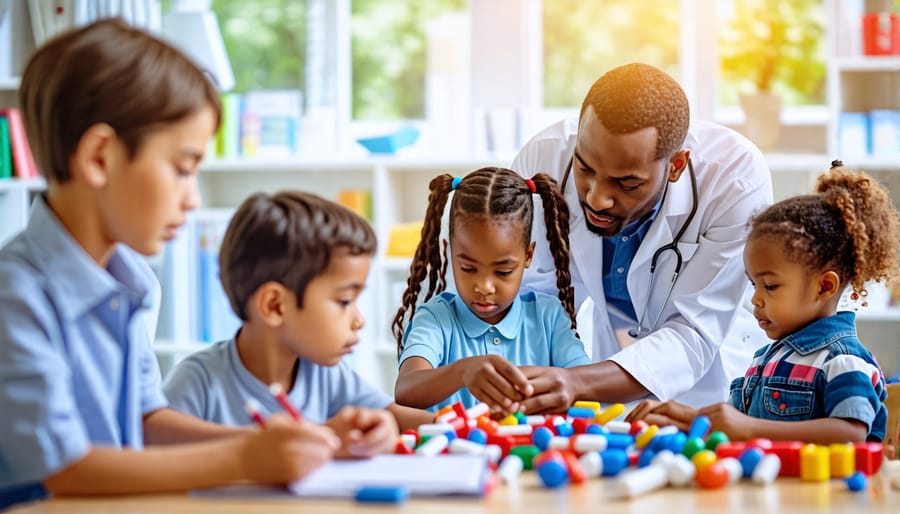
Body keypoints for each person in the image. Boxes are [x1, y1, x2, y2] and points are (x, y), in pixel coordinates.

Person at [0, 20, 341, 509]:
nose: (193, 199)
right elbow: (65, 468)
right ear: (100, 157)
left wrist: (305, 442)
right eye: (182, 169)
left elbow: (147, 422)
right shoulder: (15, 294)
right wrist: (246, 458)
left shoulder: (132, 280)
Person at [510, 63, 773, 412]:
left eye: (626, 182)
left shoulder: (733, 177)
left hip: (712, 397)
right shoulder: (545, 159)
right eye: (585, 169)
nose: (596, 198)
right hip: (601, 387)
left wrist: (575, 382)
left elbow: (693, 332)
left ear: (677, 165)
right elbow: (527, 297)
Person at [625, 164, 899, 443]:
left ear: (824, 286)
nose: (755, 298)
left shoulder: (842, 359)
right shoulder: (763, 360)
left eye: (770, 286)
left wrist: (748, 428)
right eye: (753, 285)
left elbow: (851, 434)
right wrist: (686, 419)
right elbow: (734, 430)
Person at [164, 191, 434, 450]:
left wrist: (390, 425)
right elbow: (156, 449)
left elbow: (395, 417)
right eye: (344, 301)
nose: (358, 320)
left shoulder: (325, 375)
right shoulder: (197, 382)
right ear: (275, 305)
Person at [392, 167, 590, 414]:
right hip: (456, 452)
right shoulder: (435, 319)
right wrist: (463, 371)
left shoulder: (547, 316)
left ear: (528, 255)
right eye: (468, 268)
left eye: (503, 271)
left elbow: (584, 385)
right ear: (449, 251)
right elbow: (406, 389)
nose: (483, 287)